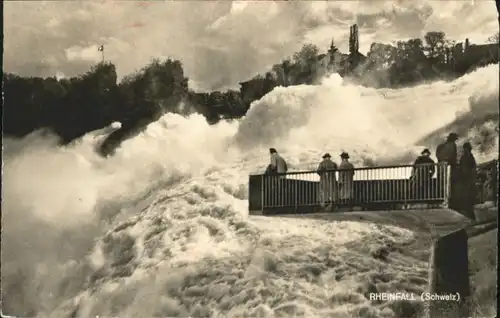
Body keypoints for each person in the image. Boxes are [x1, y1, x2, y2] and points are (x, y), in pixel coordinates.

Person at [436, 132, 459, 205]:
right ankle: (448, 200)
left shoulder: (440, 146)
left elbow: (438, 156)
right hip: (448, 166)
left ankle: (440, 198)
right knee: (449, 182)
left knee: (441, 182)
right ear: (453, 139)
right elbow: (453, 158)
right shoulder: (453, 145)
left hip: (440, 166)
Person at [457, 142, 477, 220]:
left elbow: (472, 168)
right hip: (466, 179)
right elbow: (473, 168)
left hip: (467, 180)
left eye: (466, 148)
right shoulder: (468, 157)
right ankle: (470, 216)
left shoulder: (467, 157)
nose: (465, 150)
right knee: (467, 198)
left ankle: (470, 216)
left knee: (467, 197)